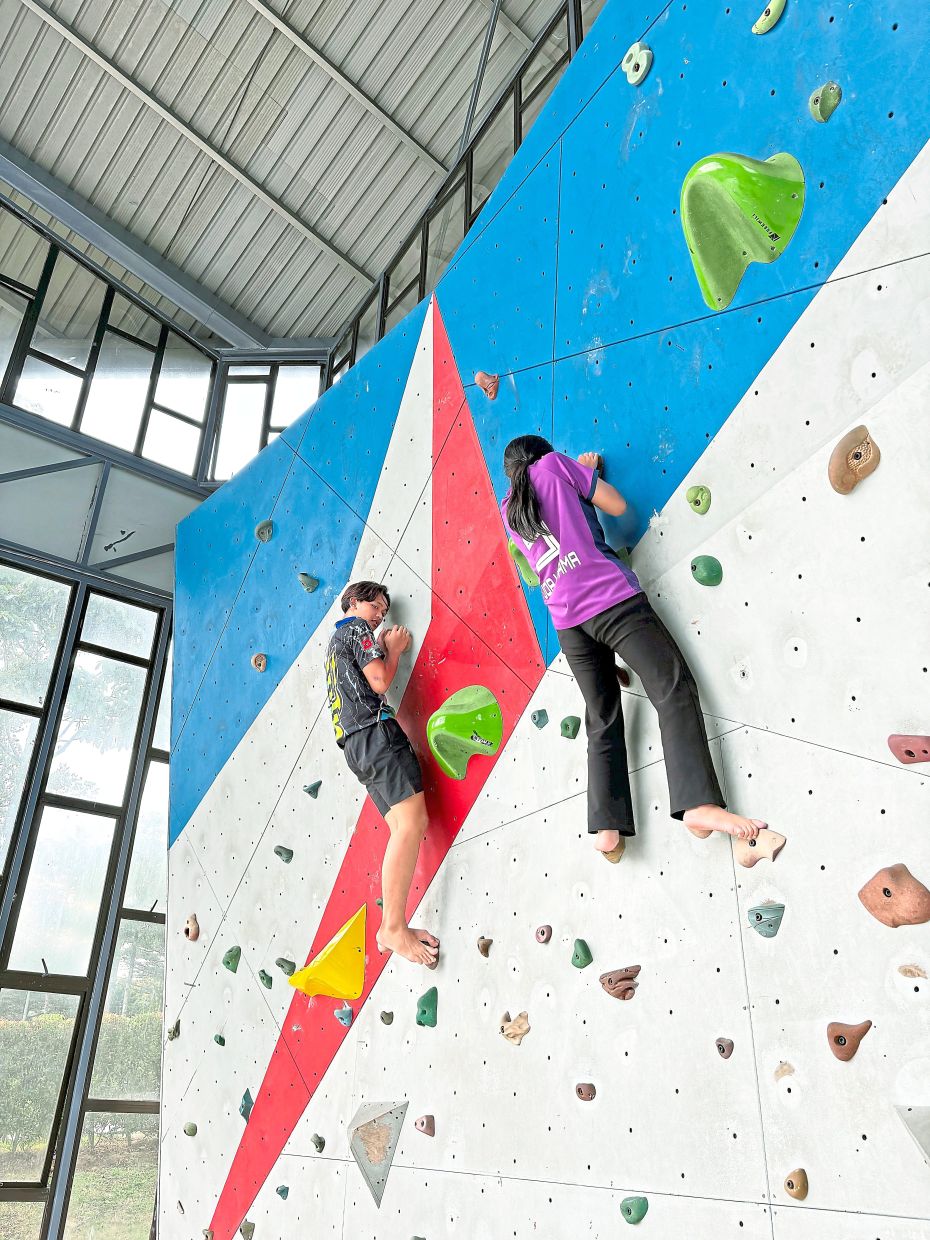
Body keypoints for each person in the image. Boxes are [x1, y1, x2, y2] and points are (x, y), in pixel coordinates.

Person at [500, 435, 765, 859]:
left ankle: (606, 830)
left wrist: (576, 486)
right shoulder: (553, 466)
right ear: (542, 452)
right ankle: (697, 804)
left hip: (569, 623)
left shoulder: (509, 508)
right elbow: (618, 506)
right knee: (670, 686)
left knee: (601, 717)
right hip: (609, 600)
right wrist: (585, 476)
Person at [325, 580, 439, 966]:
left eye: (384, 612)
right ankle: (392, 925)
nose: (380, 617)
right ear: (354, 603)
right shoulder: (355, 629)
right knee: (411, 824)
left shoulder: (334, 647)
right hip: (374, 733)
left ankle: (394, 926)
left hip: (355, 747)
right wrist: (392, 650)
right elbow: (379, 680)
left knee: (403, 829)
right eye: (376, 607)